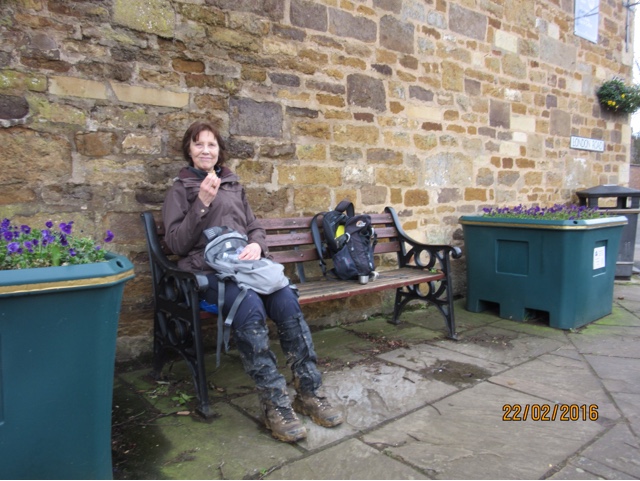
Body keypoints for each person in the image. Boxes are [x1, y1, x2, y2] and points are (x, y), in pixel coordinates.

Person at [161, 120, 343, 442]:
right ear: (189, 150)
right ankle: (275, 404)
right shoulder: (181, 189)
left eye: (211, 144)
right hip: (207, 274)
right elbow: (176, 244)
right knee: (249, 306)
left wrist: (257, 244)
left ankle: (308, 391)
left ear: (219, 151)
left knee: (286, 299)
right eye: (199, 144)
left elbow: (254, 226)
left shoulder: (232, 184)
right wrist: (201, 203)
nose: (206, 150)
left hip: (247, 268)